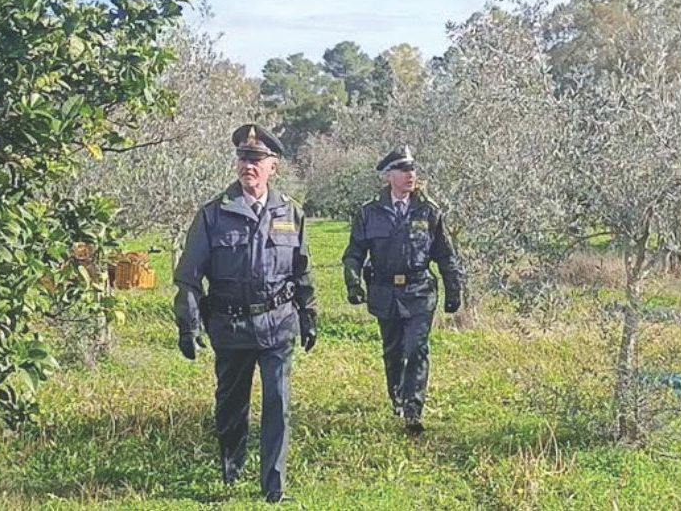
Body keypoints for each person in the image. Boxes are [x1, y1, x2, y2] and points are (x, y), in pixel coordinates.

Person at [173, 123, 317, 504]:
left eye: (256, 160)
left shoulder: (290, 212)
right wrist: (188, 326)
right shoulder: (213, 215)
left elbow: (302, 269)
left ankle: (274, 485)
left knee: (278, 404)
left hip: (277, 326)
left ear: (273, 166)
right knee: (231, 405)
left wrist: (310, 314)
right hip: (231, 326)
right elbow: (188, 278)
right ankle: (231, 468)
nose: (247, 166)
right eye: (242, 159)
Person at [341, 145, 464, 433]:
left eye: (412, 169)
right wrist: (352, 281)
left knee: (417, 348)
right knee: (393, 350)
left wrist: (453, 288)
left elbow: (445, 254)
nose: (411, 175)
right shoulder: (369, 213)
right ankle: (396, 397)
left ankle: (413, 409)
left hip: (419, 291)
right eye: (403, 170)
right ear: (389, 176)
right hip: (385, 291)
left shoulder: (428, 211)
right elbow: (354, 252)